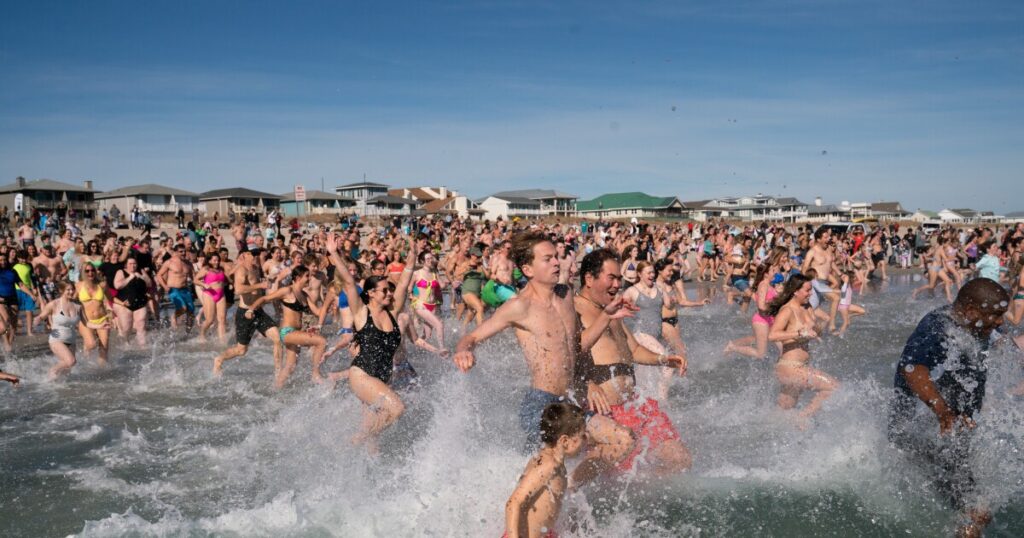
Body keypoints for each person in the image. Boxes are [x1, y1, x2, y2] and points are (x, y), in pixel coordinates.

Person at [454, 231, 636, 488]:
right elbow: (471, 337)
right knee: (544, 475)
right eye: (548, 259)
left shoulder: (565, 294)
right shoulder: (520, 306)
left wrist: (606, 315)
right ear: (527, 268)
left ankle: (572, 492)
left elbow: (578, 347)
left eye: (556, 258)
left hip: (568, 401)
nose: (556, 263)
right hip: (541, 406)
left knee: (623, 439)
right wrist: (464, 350)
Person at [888, 278, 1011, 538]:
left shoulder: (978, 326)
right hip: (922, 430)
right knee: (977, 509)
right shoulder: (937, 327)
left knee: (974, 506)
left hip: (948, 429)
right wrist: (942, 411)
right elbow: (913, 370)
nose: (1001, 321)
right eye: (996, 314)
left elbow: (1008, 346)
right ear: (971, 312)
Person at [575, 249, 691, 475]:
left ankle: (644, 499)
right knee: (610, 480)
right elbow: (565, 356)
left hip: (635, 405)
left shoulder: (610, 308)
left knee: (680, 459)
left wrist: (663, 359)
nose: (618, 284)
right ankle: (573, 496)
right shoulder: (574, 309)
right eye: (612, 277)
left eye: (619, 278)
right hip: (605, 412)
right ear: (589, 279)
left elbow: (634, 349)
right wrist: (585, 382)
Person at [325, 232, 416, 454]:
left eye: (389, 290)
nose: (389, 294)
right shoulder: (361, 312)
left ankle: (359, 470)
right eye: (384, 291)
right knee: (396, 408)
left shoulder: (393, 313)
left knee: (373, 446)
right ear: (371, 293)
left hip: (382, 377)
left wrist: (413, 254)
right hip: (363, 375)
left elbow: (404, 281)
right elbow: (348, 280)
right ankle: (355, 441)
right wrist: (333, 253)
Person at [504, 402, 586, 538]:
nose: (586, 440)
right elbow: (512, 503)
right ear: (565, 441)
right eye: (582, 436)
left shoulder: (554, 463)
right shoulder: (548, 465)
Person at [767, 273, 838, 425]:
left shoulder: (807, 307)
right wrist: (800, 333)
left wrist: (817, 329)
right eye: (807, 290)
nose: (811, 293)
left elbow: (816, 330)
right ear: (795, 291)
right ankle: (803, 417)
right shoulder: (787, 310)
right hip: (790, 367)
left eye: (811, 289)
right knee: (833, 387)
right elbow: (772, 335)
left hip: (800, 366)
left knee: (782, 413)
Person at [244, 265, 328, 388]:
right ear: (298, 277)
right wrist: (251, 309)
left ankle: (276, 388)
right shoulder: (287, 291)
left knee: (290, 366)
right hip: (287, 332)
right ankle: (315, 374)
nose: (309, 278)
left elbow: (317, 312)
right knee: (321, 341)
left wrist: (329, 306)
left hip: (296, 333)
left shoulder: (304, 295)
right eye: (307, 276)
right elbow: (265, 298)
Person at [212, 249, 282, 377]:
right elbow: (238, 290)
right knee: (241, 350)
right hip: (245, 313)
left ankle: (279, 371)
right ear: (245, 256)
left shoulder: (256, 268)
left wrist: (270, 281)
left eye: (257, 254)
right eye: (253, 254)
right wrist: (259, 286)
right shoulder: (241, 270)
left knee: (277, 338)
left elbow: (261, 284)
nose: (256, 256)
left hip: (258, 311)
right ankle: (219, 359)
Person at [34, 281, 81, 378]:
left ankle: (57, 386)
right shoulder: (54, 304)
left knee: (67, 370)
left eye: (72, 289)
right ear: (62, 290)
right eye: (68, 290)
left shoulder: (78, 306)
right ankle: (51, 372)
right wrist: (38, 319)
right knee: (71, 361)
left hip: (71, 341)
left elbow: (87, 322)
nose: (71, 292)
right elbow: (42, 316)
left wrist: (101, 325)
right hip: (56, 340)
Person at [76, 263, 113, 366]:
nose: (90, 273)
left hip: (102, 319)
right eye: (87, 271)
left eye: (92, 270)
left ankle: (103, 372)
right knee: (91, 344)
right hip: (86, 321)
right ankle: (85, 367)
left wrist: (112, 313)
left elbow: (111, 299)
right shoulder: (78, 285)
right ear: (83, 272)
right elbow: (70, 300)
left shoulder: (102, 285)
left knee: (103, 348)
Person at [112, 257, 153, 346]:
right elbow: (117, 286)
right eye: (130, 263)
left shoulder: (141, 271)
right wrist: (130, 278)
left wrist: (142, 277)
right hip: (125, 304)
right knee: (126, 328)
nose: (133, 265)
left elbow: (149, 283)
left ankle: (143, 346)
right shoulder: (121, 272)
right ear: (126, 265)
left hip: (140, 303)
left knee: (141, 325)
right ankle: (126, 344)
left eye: (134, 263)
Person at [157, 245, 195, 331]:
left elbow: (194, 277)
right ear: (176, 252)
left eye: (184, 251)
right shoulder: (169, 262)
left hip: (185, 289)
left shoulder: (188, 264)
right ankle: (173, 316)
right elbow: (159, 275)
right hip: (173, 289)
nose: (183, 253)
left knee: (191, 312)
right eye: (181, 251)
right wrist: (164, 286)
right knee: (183, 308)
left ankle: (188, 333)